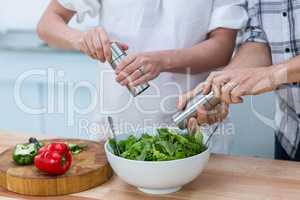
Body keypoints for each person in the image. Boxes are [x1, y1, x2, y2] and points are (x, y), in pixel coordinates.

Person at [38, 0, 247, 153]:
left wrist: (162, 61)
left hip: (194, 124)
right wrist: (81, 39)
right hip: (116, 126)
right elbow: (48, 23)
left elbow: (223, 47)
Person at [179, 0, 300, 161]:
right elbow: (259, 41)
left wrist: (271, 75)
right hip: (291, 133)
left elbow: (270, 73)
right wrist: (223, 82)